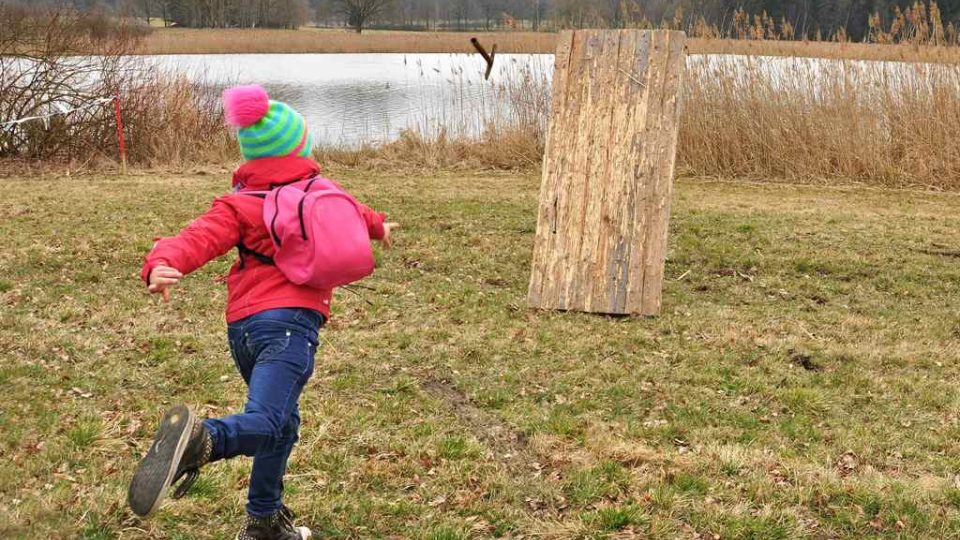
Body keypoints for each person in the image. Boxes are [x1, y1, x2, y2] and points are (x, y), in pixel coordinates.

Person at [127, 85, 396, 540]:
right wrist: (379, 225)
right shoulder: (322, 191)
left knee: (282, 422)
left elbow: (195, 238)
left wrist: (162, 262)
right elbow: (355, 212)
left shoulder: (237, 204)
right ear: (302, 148)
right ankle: (202, 439)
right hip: (290, 326)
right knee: (270, 420)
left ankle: (264, 520)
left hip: (244, 328)